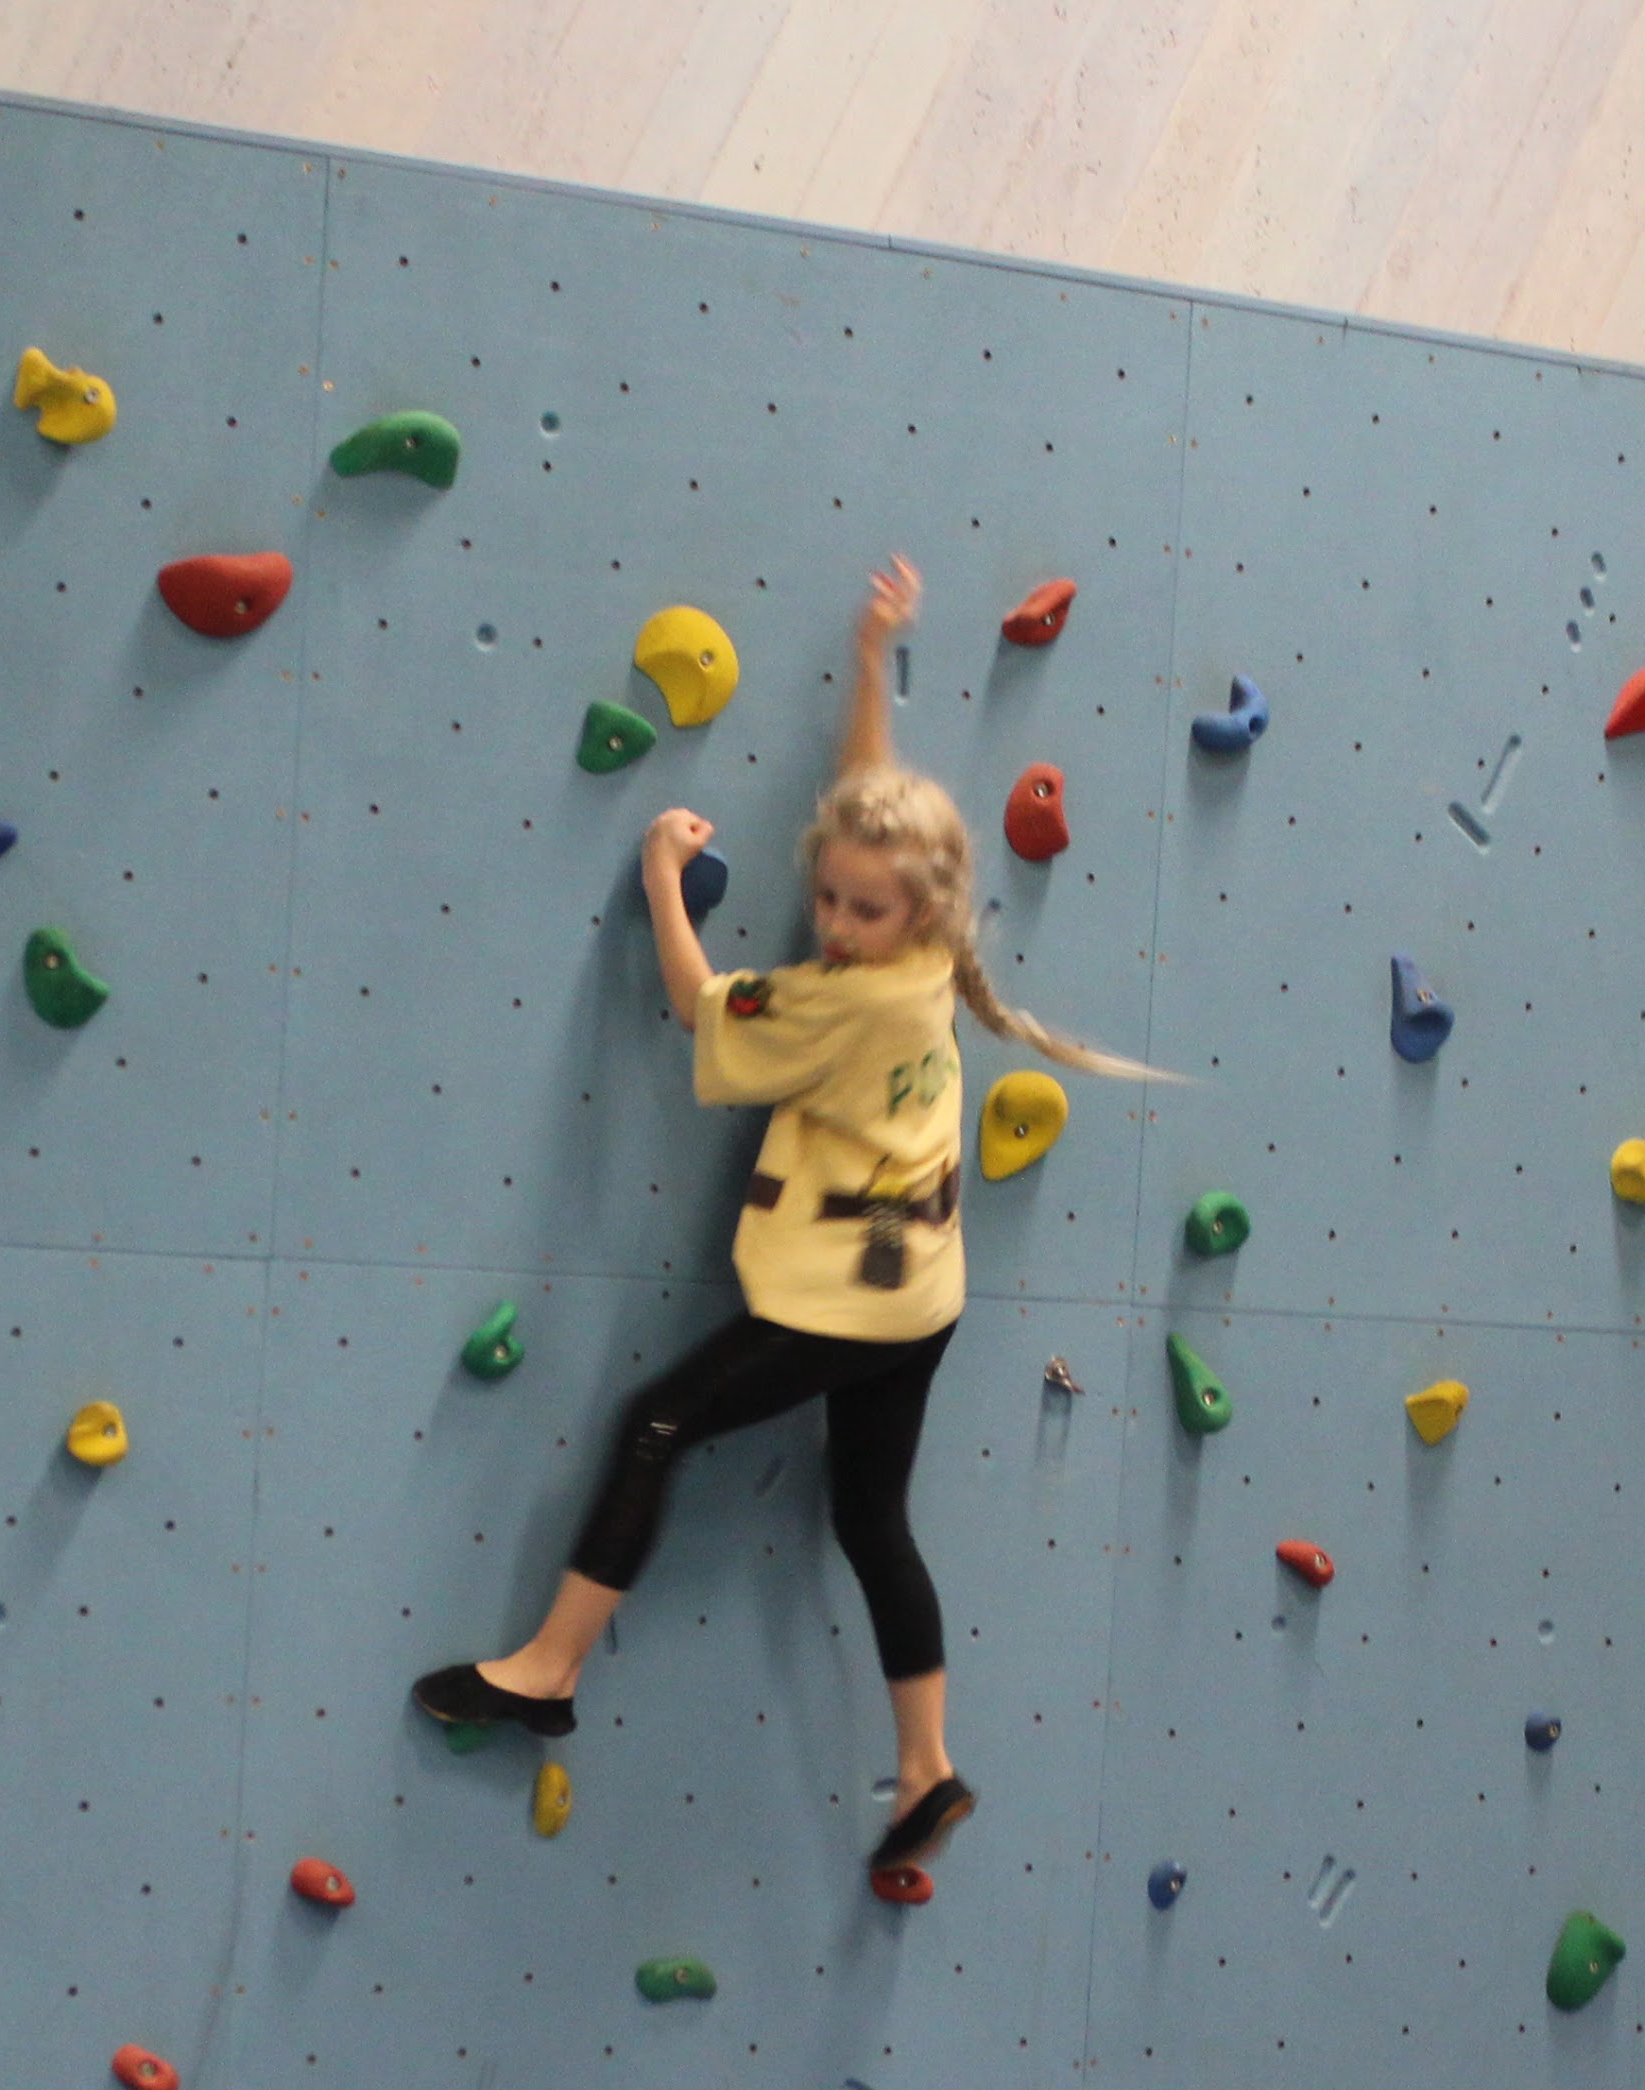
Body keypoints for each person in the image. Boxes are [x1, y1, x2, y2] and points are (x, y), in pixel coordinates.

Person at [414, 554, 1146, 1879]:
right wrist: (868, 663)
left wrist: (660, 873)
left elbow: (702, 1006)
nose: (837, 923)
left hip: (847, 1298)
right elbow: (871, 807)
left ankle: (548, 1667)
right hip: (922, 1288)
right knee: (870, 1518)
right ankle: (925, 1765)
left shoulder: (838, 999)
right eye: (828, 900)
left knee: (657, 1423)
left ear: (914, 906)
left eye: (861, 909)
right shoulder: (926, 952)